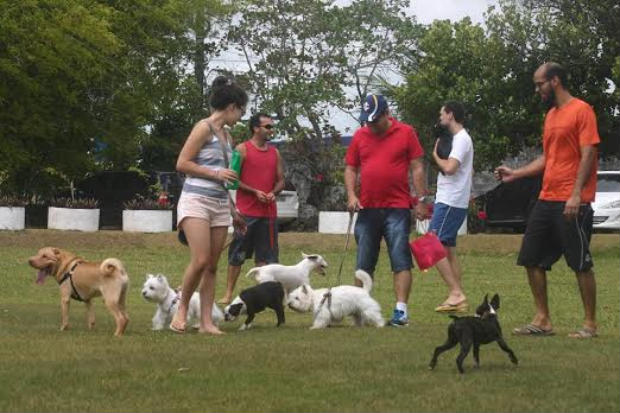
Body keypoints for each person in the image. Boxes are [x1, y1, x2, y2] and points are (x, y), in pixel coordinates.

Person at [494, 62, 600, 339]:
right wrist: (515, 173)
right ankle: (542, 320)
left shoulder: (582, 110)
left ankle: (590, 324)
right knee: (531, 257)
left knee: (580, 262)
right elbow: (547, 157)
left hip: (572, 200)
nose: (537, 89)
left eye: (539, 84)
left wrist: (576, 194)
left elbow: (588, 153)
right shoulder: (551, 116)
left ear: (554, 81)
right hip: (546, 198)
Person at [170, 76, 248, 335]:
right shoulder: (203, 128)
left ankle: (206, 322)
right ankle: (181, 310)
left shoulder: (227, 136)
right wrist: (215, 174)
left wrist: (233, 210)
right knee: (201, 259)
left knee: (212, 265)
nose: (240, 116)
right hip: (196, 201)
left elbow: (224, 176)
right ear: (231, 106)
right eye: (241, 111)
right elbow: (182, 163)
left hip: (218, 204)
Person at [344, 94, 428, 327]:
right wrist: (351, 195)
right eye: (367, 121)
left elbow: (417, 167)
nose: (370, 125)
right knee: (364, 261)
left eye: (374, 120)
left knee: (400, 259)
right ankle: (358, 310)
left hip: (397, 207)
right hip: (367, 207)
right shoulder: (360, 135)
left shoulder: (406, 132)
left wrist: (421, 200)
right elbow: (351, 168)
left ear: (386, 113)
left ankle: (400, 311)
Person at [218, 113, 285, 305]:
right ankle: (228, 293)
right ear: (256, 128)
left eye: (272, 126)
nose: (271, 130)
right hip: (246, 213)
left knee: (266, 258)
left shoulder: (275, 153)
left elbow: (281, 180)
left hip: (269, 214)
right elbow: (232, 179)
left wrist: (273, 192)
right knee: (237, 254)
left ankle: (262, 296)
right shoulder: (242, 149)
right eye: (268, 127)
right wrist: (254, 191)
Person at [430, 101, 473, 313]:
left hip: (450, 201)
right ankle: (458, 298)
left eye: (442, 113)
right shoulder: (458, 139)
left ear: (450, 114)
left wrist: (436, 156)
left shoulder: (462, 139)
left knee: (431, 245)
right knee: (448, 250)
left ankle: (456, 293)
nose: (440, 117)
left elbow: (450, 168)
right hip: (450, 200)